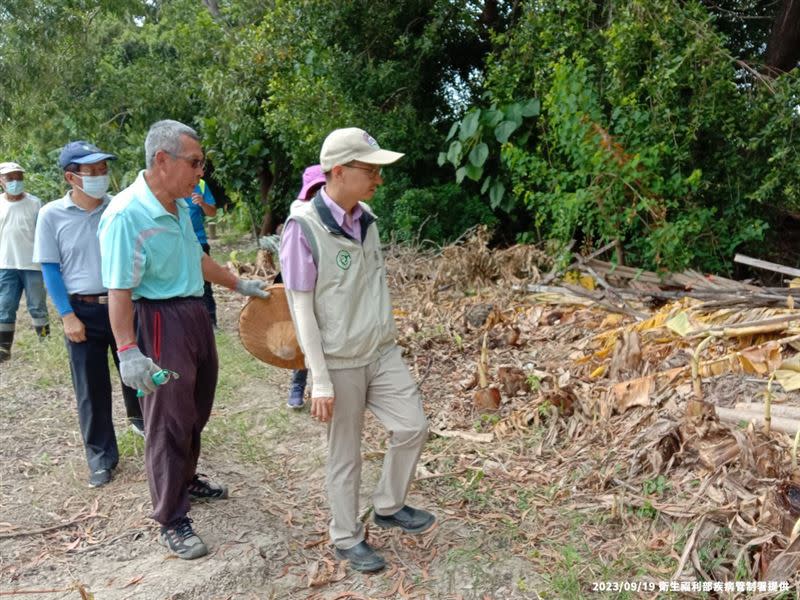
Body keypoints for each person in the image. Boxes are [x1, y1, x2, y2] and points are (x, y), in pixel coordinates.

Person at [97, 119, 269, 560]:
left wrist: (238, 284)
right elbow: (118, 290)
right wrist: (129, 351)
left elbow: (197, 256)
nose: (201, 173)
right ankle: (171, 517)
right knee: (168, 420)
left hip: (193, 313)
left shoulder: (177, 205)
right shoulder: (125, 214)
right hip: (157, 320)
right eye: (195, 163)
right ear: (162, 160)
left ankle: (186, 478)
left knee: (196, 408)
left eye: (201, 163)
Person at [279, 128, 434, 573]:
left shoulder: (366, 218)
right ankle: (346, 536)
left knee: (413, 427)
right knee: (345, 453)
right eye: (371, 170)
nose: (378, 179)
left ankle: (388, 505)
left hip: (381, 352)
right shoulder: (302, 229)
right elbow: (301, 310)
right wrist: (320, 379)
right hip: (340, 361)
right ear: (340, 172)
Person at [33, 141, 146, 487]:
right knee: (91, 387)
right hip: (83, 309)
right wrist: (67, 315)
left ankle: (148, 429)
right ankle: (101, 457)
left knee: (140, 373)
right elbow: (50, 269)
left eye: (103, 170)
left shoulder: (119, 208)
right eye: (91, 171)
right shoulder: (51, 215)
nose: (100, 177)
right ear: (71, 177)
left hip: (124, 303)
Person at [281, 164, 325, 409]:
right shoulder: (299, 221)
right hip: (304, 290)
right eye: (315, 190)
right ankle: (299, 384)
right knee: (304, 335)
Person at [0, 161, 49, 361]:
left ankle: (45, 344)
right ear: (1, 180)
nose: (15, 181)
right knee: (5, 306)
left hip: (32, 264)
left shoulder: (35, 203)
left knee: (37, 305)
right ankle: (4, 350)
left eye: (19, 177)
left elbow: (43, 234)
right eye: (10, 178)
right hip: (6, 264)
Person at [183, 178, 217, 327]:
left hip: (199, 240)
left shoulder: (201, 184)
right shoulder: (169, 182)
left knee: (205, 283)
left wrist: (202, 203)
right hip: (178, 242)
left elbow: (212, 212)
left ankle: (211, 320)